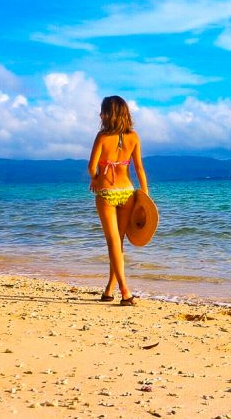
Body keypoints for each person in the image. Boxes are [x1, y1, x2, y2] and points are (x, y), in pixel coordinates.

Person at [88, 95, 149, 306]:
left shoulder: (102, 137)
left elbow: (91, 166)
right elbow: (139, 168)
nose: (100, 114)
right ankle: (109, 289)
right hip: (128, 192)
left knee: (113, 243)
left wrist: (96, 178)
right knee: (119, 243)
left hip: (107, 192)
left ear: (108, 114)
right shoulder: (133, 136)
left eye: (102, 111)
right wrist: (145, 196)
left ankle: (125, 291)